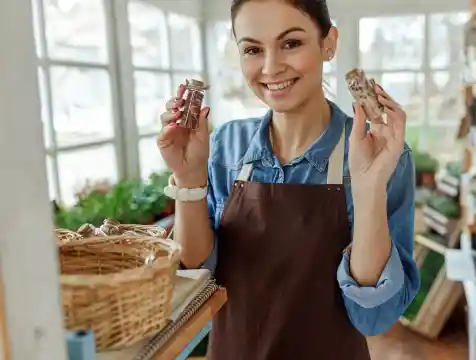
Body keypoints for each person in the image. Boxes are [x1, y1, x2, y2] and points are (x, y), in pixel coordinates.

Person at [157, 0, 420, 358]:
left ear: (328, 43)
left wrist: (369, 187)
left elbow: (374, 317)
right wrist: (188, 180)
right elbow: (197, 278)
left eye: (291, 43)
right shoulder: (227, 145)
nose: (270, 67)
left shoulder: (381, 153)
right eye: (252, 49)